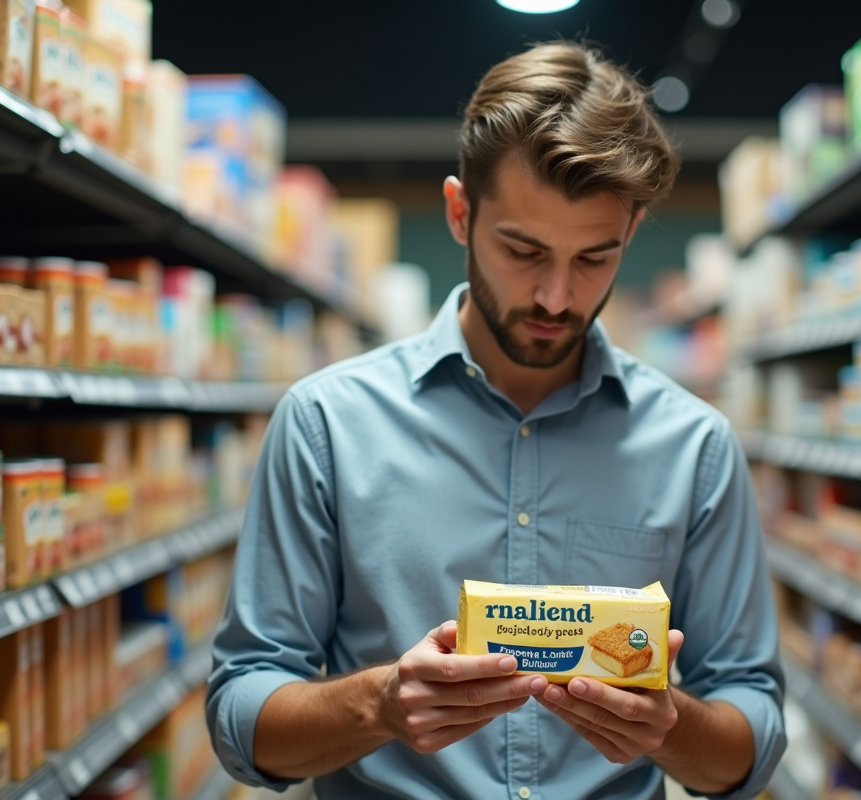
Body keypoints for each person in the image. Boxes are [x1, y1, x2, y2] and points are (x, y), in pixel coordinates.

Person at [206, 41, 786, 800]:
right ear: (459, 212)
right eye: (523, 250)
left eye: (593, 260)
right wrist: (376, 705)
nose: (554, 296)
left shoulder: (695, 447)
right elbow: (241, 714)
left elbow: (754, 729)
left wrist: (671, 727)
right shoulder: (326, 424)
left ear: (633, 234)